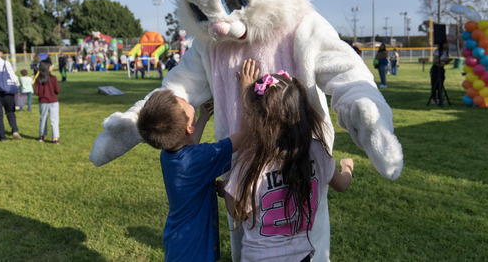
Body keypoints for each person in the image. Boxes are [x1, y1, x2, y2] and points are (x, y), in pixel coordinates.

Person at [221, 68, 354, 262]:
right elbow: (342, 184)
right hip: (301, 257)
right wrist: (347, 166)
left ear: (259, 121)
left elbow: (238, 213)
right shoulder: (317, 152)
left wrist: (226, 190)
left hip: (260, 257)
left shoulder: (253, 161)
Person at [135, 59, 257, 262]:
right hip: (194, 250)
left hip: (178, 243)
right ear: (188, 127)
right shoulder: (200, 158)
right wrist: (245, 91)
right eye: (184, 103)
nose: (187, 100)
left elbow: (188, 144)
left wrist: (201, 119)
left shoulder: (168, 154)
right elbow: (243, 135)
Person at [34, 59, 60, 144]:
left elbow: (36, 92)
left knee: (43, 119)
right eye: (51, 66)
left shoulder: (38, 80)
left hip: (43, 102)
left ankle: (41, 136)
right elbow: (58, 90)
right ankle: (55, 138)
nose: (52, 67)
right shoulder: (53, 78)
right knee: (54, 120)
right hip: (53, 102)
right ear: (47, 67)